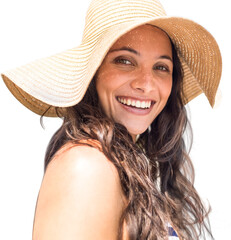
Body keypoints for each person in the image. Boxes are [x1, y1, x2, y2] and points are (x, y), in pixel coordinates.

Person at [1, 0, 222, 239]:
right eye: (125, 61)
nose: (146, 85)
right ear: (93, 73)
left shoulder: (123, 164)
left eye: (161, 67)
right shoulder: (86, 166)